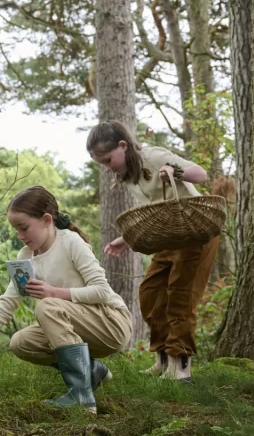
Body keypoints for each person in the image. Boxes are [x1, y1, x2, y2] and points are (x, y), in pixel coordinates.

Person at [0, 187, 131, 413]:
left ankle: (81, 396)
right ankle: (93, 372)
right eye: (16, 229)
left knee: (48, 305)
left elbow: (102, 292)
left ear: (47, 220)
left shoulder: (71, 243)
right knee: (20, 342)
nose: (20, 235)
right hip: (79, 328)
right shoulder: (26, 257)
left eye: (24, 227)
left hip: (112, 324)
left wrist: (54, 292)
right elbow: (6, 304)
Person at [87, 121, 215, 382]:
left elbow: (201, 175)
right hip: (169, 236)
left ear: (123, 146)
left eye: (108, 160)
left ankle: (181, 368)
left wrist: (175, 170)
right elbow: (156, 211)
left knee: (180, 295)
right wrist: (125, 239)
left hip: (194, 231)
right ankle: (163, 359)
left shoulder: (154, 157)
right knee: (150, 293)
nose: (108, 167)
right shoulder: (130, 175)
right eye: (103, 164)